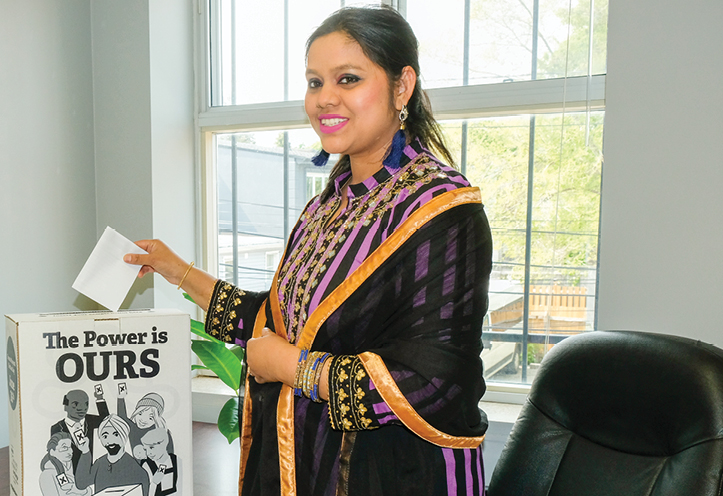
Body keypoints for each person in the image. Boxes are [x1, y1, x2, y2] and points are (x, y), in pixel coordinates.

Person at [124, 5, 492, 495]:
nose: (325, 98)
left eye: (348, 78)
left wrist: (292, 368)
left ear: (402, 87)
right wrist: (175, 271)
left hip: (393, 474)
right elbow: (282, 322)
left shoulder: (443, 209)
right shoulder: (329, 203)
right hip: (309, 462)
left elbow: (432, 382)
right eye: (315, 82)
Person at [75, 414, 150, 496]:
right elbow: (81, 484)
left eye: (116, 434)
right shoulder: (100, 463)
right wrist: (85, 452)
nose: (110, 440)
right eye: (105, 436)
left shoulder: (136, 470)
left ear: (124, 436)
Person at [50, 388, 109, 473]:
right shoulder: (57, 428)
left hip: (91, 472)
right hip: (70, 474)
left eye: (86, 404)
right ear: (66, 407)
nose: (82, 408)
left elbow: (106, 421)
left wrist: (99, 398)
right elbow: (55, 456)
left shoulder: (90, 420)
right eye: (75, 404)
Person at [117, 388, 175, 460]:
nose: (143, 420)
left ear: (156, 419)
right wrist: (120, 398)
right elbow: (122, 419)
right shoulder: (133, 428)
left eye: (150, 418)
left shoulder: (161, 432)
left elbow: (170, 454)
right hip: (138, 469)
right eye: (140, 413)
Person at [139, 427, 180, 496]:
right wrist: (154, 483)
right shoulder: (146, 465)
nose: (148, 453)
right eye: (145, 449)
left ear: (163, 445)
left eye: (151, 447)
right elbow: (145, 492)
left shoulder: (175, 459)